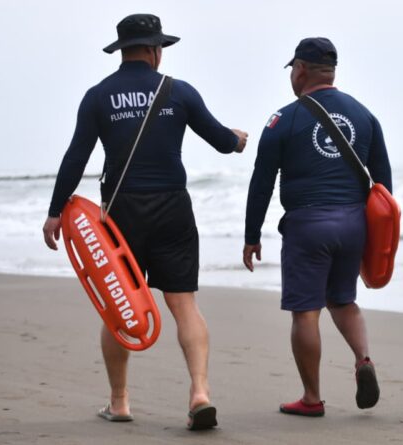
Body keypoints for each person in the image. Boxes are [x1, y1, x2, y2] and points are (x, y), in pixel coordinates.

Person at [41, 14, 248, 430]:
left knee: (119, 306)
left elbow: (75, 157)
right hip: (173, 207)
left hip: (120, 216)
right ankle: (199, 393)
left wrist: (55, 212)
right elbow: (222, 142)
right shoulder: (179, 91)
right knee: (183, 303)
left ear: (122, 50)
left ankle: (119, 402)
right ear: (155, 50)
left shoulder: (98, 96)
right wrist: (238, 139)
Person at [243, 37, 392, 417]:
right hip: (353, 223)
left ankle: (311, 397)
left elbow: (262, 182)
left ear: (302, 70)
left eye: (293, 69)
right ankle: (363, 360)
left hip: (308, 225)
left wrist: (251, 235)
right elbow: (384, 183)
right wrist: (378, 234)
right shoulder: (363, 114)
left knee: (306, 311)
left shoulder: (283, 119)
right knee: (343, 300)